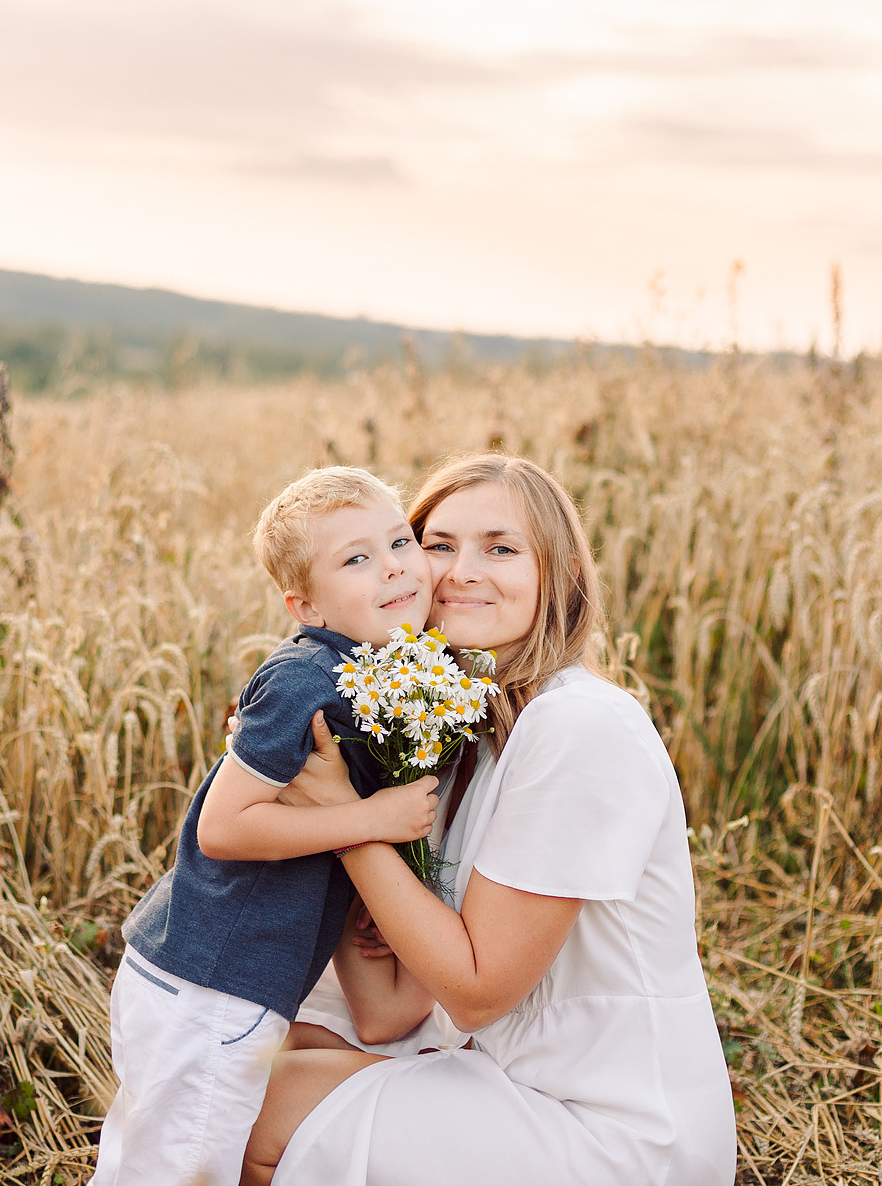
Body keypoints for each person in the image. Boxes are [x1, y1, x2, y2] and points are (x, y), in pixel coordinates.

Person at [243, 455, 737, 1186]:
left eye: (500, 549)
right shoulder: (463, 735)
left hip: (616, 1128)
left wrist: (343, 818)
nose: (459, 572)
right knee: (255, 1054)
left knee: (258, 1113)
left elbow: (474, 991)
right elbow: (388, 1014)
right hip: (517, 1076)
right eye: (437, 545)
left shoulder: (577, 726)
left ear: (562, 576)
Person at [91, 466, 446, 1186]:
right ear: (306, 604)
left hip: (222, 983)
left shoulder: (374, 669)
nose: (392, 568)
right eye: (355, 559)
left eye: (399, 542)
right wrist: (370, 817)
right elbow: (223, 828)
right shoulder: (304, 679)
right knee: (181, 1172)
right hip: (210, 986)